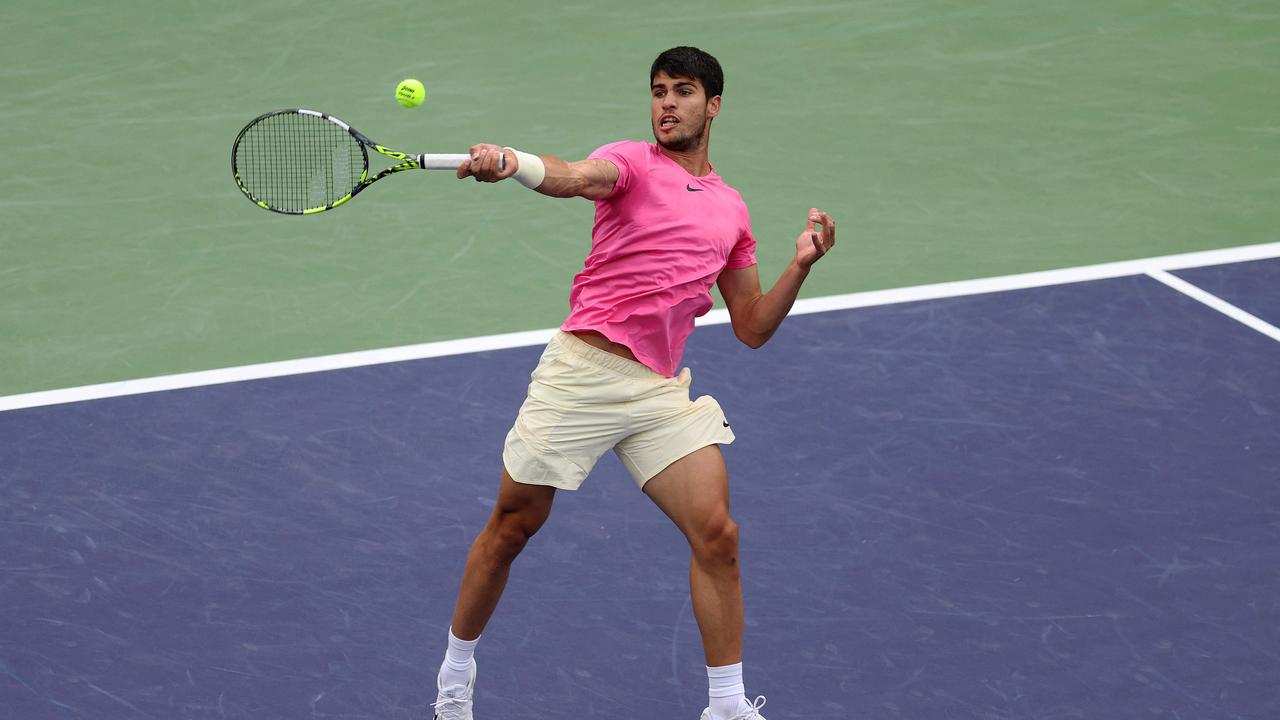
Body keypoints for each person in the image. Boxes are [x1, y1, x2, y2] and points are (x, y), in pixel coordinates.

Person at [432, 46, 835, 720]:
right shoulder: (631, 162)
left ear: (714, 105)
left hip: (656, 393)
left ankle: (727, 705)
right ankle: (454, 678)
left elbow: (753, 327)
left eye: (682, 91)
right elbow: (571, 176)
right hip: (582, 377)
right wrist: (514, 163)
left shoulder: (731, 208)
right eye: (658, 91)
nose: (667, 104)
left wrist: (801, 266)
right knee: (511, 527)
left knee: (718, 535)